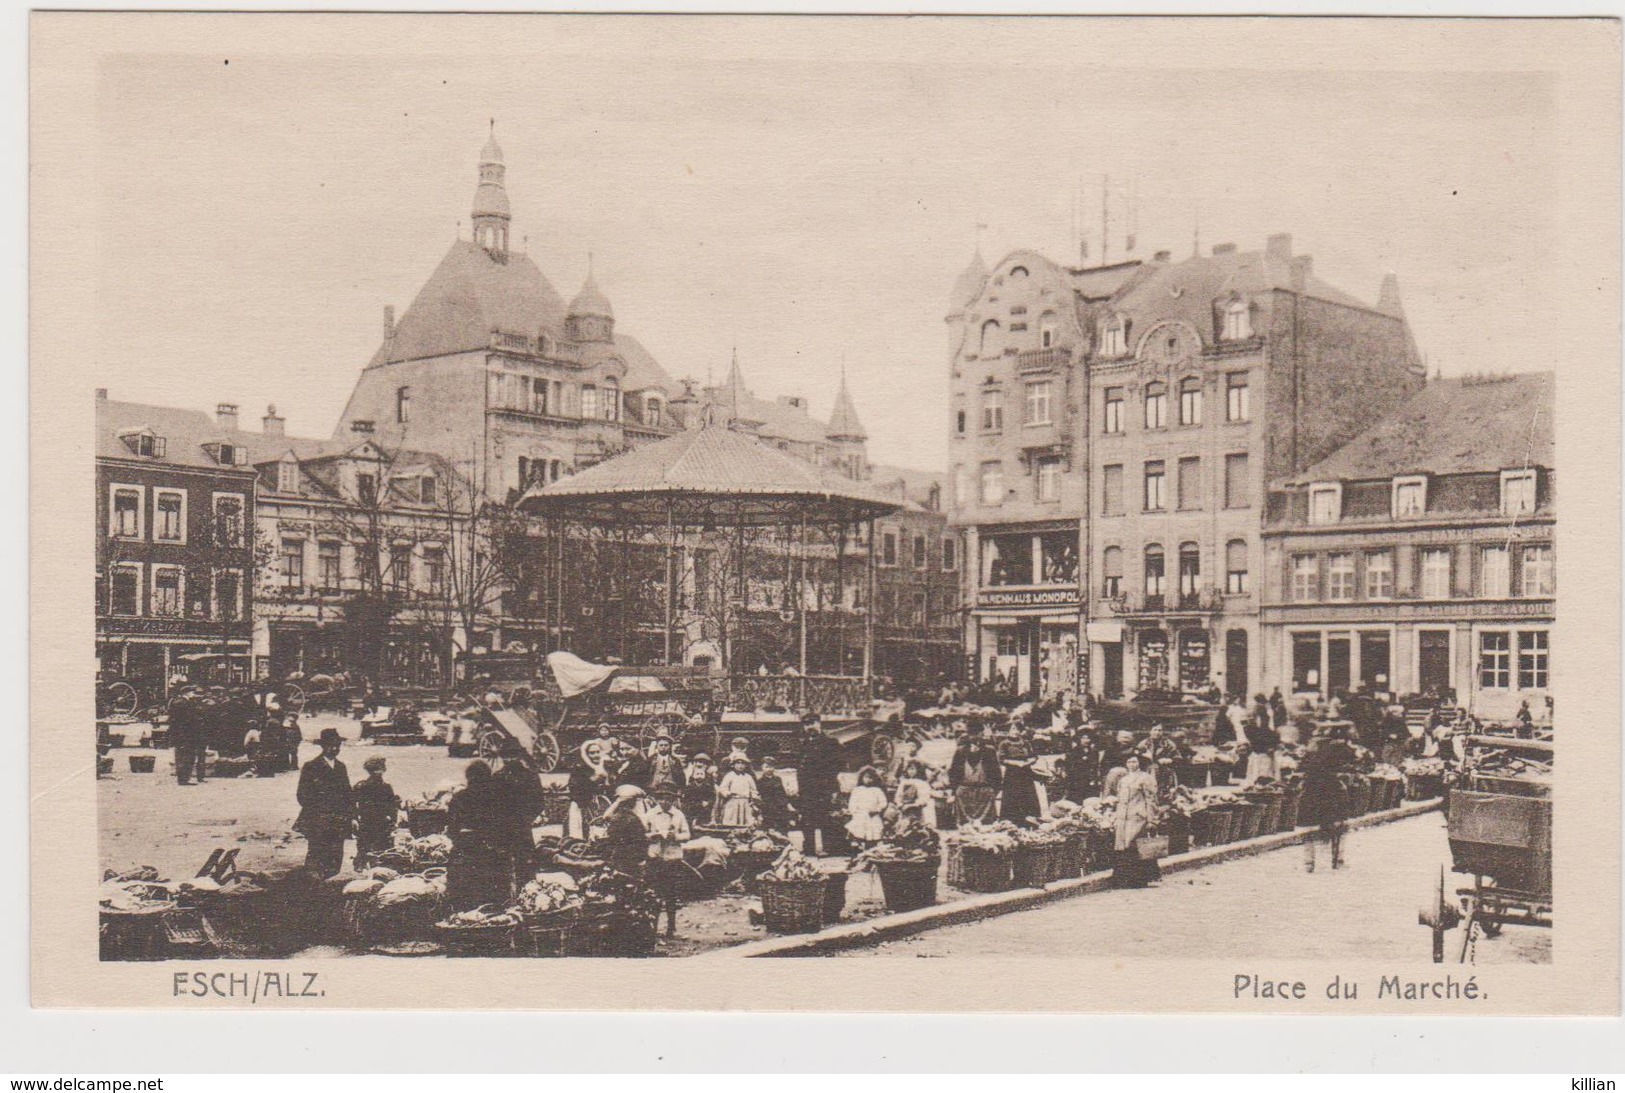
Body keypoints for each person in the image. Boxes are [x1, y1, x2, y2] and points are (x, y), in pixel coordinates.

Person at [446, 760, 513, 910]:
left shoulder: (459, 797)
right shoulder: (498, 797)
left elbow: (452, 828)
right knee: (494, 900)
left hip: (465, 853)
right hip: (492, 853)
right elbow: (505, 827)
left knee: (464, 900)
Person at [294, 728, 354, 878]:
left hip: (338, 820)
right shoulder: (311, 766)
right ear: (323, 746)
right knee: (316, 856)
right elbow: (302, 795)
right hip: (318, 821)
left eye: (337, 746)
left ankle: (330, 889)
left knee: (335, 857)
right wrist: (320, 811)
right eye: (331, 745)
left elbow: (348, 793)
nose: (334, 749)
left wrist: (351, 815)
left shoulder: (341, 767)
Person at [1298, 725, 1357, 872]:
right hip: (1330, 792)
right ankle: (1337, 860)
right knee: (1338, 825)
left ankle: (1309, 862)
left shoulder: (1310, 753)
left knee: (1310, 828)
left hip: (1310, 793)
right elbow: (1350, 760)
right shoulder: (1335, 749)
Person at [494, 740, 545, 885]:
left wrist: (526, 818)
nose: (510, 759)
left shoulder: (530, 776)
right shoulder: (497, 777)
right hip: (502, 828)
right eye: (506, 756)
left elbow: (539, 802)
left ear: (519, 756)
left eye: (513, 756)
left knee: (526, 864)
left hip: (522, 826)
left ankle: (526, 893)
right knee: (502, 864)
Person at [795, 714, 847, 856]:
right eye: (806, 724)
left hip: (825, 787)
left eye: (812, 723)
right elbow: (800, 768)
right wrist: (800, 788)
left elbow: (838, 766)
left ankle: (829, 848)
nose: (809, 727)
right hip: (807, 788)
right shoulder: (803, 744)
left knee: (826, 819)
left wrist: (834, 789)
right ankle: (809, 848)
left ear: (819, 723)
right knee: (807, 819)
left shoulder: (831, 742)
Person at [643, 785, 690, 938]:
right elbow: (642, 833)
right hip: (655, 857)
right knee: (654, 894)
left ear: (673, 800)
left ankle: (671, 928)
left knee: (671, 894)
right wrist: (653, 835)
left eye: (668, 799)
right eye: (661, 798)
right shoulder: (650, 814)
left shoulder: (678, 815)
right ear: (656, 800)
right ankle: (653, 929)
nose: (664, 802)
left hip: (672, 858)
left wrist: (675, 836)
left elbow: (687, 834)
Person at [1111, 754, 1162, 888]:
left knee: (1135, 846)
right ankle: (1123, 880)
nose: (1131, 764)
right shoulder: (1123, 780)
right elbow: (1120, 799)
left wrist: (1152, 820)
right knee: (1123, 847)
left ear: (1139, 763)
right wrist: (1116, 816)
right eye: (1129, 762)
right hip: (1123, 818)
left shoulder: (1146, 778)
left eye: (1134, 762)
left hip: (1138, 817)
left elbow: (1151, 800)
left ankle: (1139, 879)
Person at [352, 756, 399, 870]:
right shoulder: (366, 786)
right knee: (371, 846)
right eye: (375, 770)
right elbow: (352, 803)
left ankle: (366, 863)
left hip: (375, 822)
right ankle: (364, 862)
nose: (378, 772)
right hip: (372, 822)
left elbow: (392, 806)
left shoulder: (363, 786)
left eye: (379, 769)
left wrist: (393, 820)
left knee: (372, 846)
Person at [948, 725, 1002, 825]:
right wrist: (954, 789)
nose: (975, 737)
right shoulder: (961, 751)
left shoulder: (989, 751)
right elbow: (953, 771)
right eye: (972, 734)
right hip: (965, 788)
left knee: (988, 794)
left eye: (978, 734)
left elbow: (996, 772)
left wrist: (995, 789)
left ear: (982, 734)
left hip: (985, 788)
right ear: (968, 735)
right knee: (960, 792)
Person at [600, 785, 649, 878]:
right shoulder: (634, 819)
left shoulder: (618, 818)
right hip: (632, 859)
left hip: (621, 858)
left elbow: (606, 819)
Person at [997, 736, 1045, 825]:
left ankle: (1030, 818)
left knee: (1028, 794)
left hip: (1025, 773)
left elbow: (1033, 756)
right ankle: (1012, 819)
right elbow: (1002, 759)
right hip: (1012, 774)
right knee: (1012, 794)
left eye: (1016, 728)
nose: (1014, 731)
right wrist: (1015, 763)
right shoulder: (1004, 743)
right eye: (1012, 728)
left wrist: (1029, 761)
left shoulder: (1026, 743)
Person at [1135, 724, 1184, 797]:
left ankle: (1161, 794)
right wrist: (1143, 755)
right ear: (1150, 731)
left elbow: (1178, 758)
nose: (1157, 733)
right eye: (1155, 730)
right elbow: (1136, 755)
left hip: (1164, 769)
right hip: (1146, 769)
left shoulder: (1168, 744)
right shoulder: (1144, 743)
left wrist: (1169, 760)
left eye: (1159, 730)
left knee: (1157, 769)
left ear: (1162, 732)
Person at [844, 767, 888, 847]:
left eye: (871, 778)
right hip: (860, 814)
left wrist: (877, 810)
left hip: (873, 814)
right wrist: (855, 812)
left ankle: (872, 845)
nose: (868, 780)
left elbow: (883, 803)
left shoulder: (877, 790)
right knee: (859, 830)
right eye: (866, 777)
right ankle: (857, 844)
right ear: (862, 778)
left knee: (874, 830)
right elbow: (852, 803)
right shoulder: (857, 790)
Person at [167, 687, 202, 786]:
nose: (194, 694)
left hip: (182, 734)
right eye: (192, 692)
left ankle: (184, 778)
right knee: (185, 756)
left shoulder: (180, 702)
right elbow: (187, 719)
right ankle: (183, 778)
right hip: (185, 734)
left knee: (184, 756)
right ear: (187, 693)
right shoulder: (182, 703)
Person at [716, 756, 760, 827]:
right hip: (733, 801)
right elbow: (723, 788)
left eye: (743, 764)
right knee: (731, 819)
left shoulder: (748, 777)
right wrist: (727, 793)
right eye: (738, 763)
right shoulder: (730, 775)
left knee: (747, 820)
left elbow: (754, 790)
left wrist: (753, 798)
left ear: (746, 765)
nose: (740, 766)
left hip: (745, 802)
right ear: (733, 765)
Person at [893, 760, 937, 830]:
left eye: (913, 769)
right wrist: (899, 803)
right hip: (904, 808)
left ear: (918, 770)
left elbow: (924, 798)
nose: (911, 771)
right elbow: (898, 795)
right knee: (903, 826)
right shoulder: (904, 782)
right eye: (909, 769)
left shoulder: (922, 783)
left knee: (916, 827)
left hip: (916, 810)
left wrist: (914, 805)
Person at [1243, 707, 1280, 786]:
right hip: (1259, 754)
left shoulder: (1267, 729)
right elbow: (1254, 741)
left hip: (1265, 755)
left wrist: (1272, 747)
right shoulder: (1250, 729)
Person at [566, 758, 599, 841]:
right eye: (592, 753)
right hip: (583, 802)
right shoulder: (581, 769)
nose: (595, 755)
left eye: (598, 752)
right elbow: (575, 787)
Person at [681, 753, 718, 827]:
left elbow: (712, 792)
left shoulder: (709, 776)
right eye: (697, 762)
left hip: (706, 802)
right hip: (693, 803)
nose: (699, 764)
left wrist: (708, 802)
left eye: (703, 762)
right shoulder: (691, 775)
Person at [756, 756, 792, 832]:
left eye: (771, 766)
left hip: (780, 807)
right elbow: (758, 795)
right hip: (767, 807)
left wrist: (787, 804)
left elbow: (782, 793)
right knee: (768, 827)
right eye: (766, 767)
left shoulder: (778, 779)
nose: (769, 769)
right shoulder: (760, 781)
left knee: (782, 827)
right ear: (762, 768)